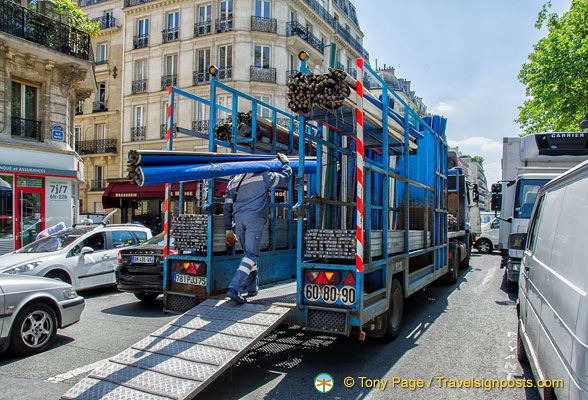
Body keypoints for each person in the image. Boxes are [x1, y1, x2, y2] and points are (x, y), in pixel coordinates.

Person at [224, 153, 292, 303]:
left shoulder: (233, 182)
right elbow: (284, 178)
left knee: (248, 254)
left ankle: (252, 288)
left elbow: (227, 206)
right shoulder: (263, 175)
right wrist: (286, 164)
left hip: (239, 220)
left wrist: (228, 229)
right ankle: (234, 288)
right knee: (251, 255)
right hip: (254, 218)